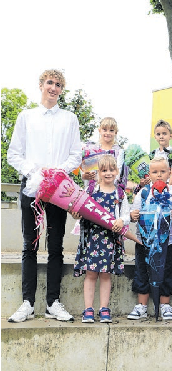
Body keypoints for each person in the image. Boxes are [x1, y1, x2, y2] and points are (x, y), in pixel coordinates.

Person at [7, 69, 81, 323]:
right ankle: (27, 302)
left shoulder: (70, 119)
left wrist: (56, 173)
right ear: (41, 85)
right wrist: (36, 174)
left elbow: (75, 156)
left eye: (59, 84)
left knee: (56, 246)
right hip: (32, 188)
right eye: (50, 82)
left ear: (61, 89)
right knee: (30, 245)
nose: (54, 87)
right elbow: (14, 154)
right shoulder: (26, 117)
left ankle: (53, 302)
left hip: (58, 190)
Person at [72, 155, 130, 323]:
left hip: (110, 240)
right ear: (98, 172)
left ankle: (104, 308)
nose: (108, 173)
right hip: (92, 237)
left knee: (105, 275)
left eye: (111, 170)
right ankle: (88, 309)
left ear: (117, 171)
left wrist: (121, 221)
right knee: (90, 274)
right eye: (104, 170)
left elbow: (126, 215)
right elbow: (79, 209)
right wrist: (76, 214)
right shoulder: (91, 191)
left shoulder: (120, 194)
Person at [127, 157, 172, 320]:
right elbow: (132, 214)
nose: (159, 175)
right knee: (142, 271)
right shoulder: (143, 192)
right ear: (149, 174)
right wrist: (133, 215)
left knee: (166, 271)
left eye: (162, 171)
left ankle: (165, 304)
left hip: (167, 242)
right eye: (155, 172)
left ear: (169, 173)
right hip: (144, 242)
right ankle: (142, 305)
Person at [81, 117, 127, 189]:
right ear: (99, 130)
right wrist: (84, 176)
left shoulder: (119, 152)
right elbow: (84, 175)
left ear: (115, 132)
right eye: (104, 130)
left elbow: (119, 175)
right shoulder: (91, 150)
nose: (108, 133)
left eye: (111, 130)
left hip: (111, 192)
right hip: (91, 193)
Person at [150, 119, 172, 187]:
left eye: (164, 133)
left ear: (170, 136)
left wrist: (168, 189)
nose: (161, 136)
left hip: (168, 189)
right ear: (155, 137)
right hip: (153, 188)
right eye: (158, 134)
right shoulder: (152, 155)